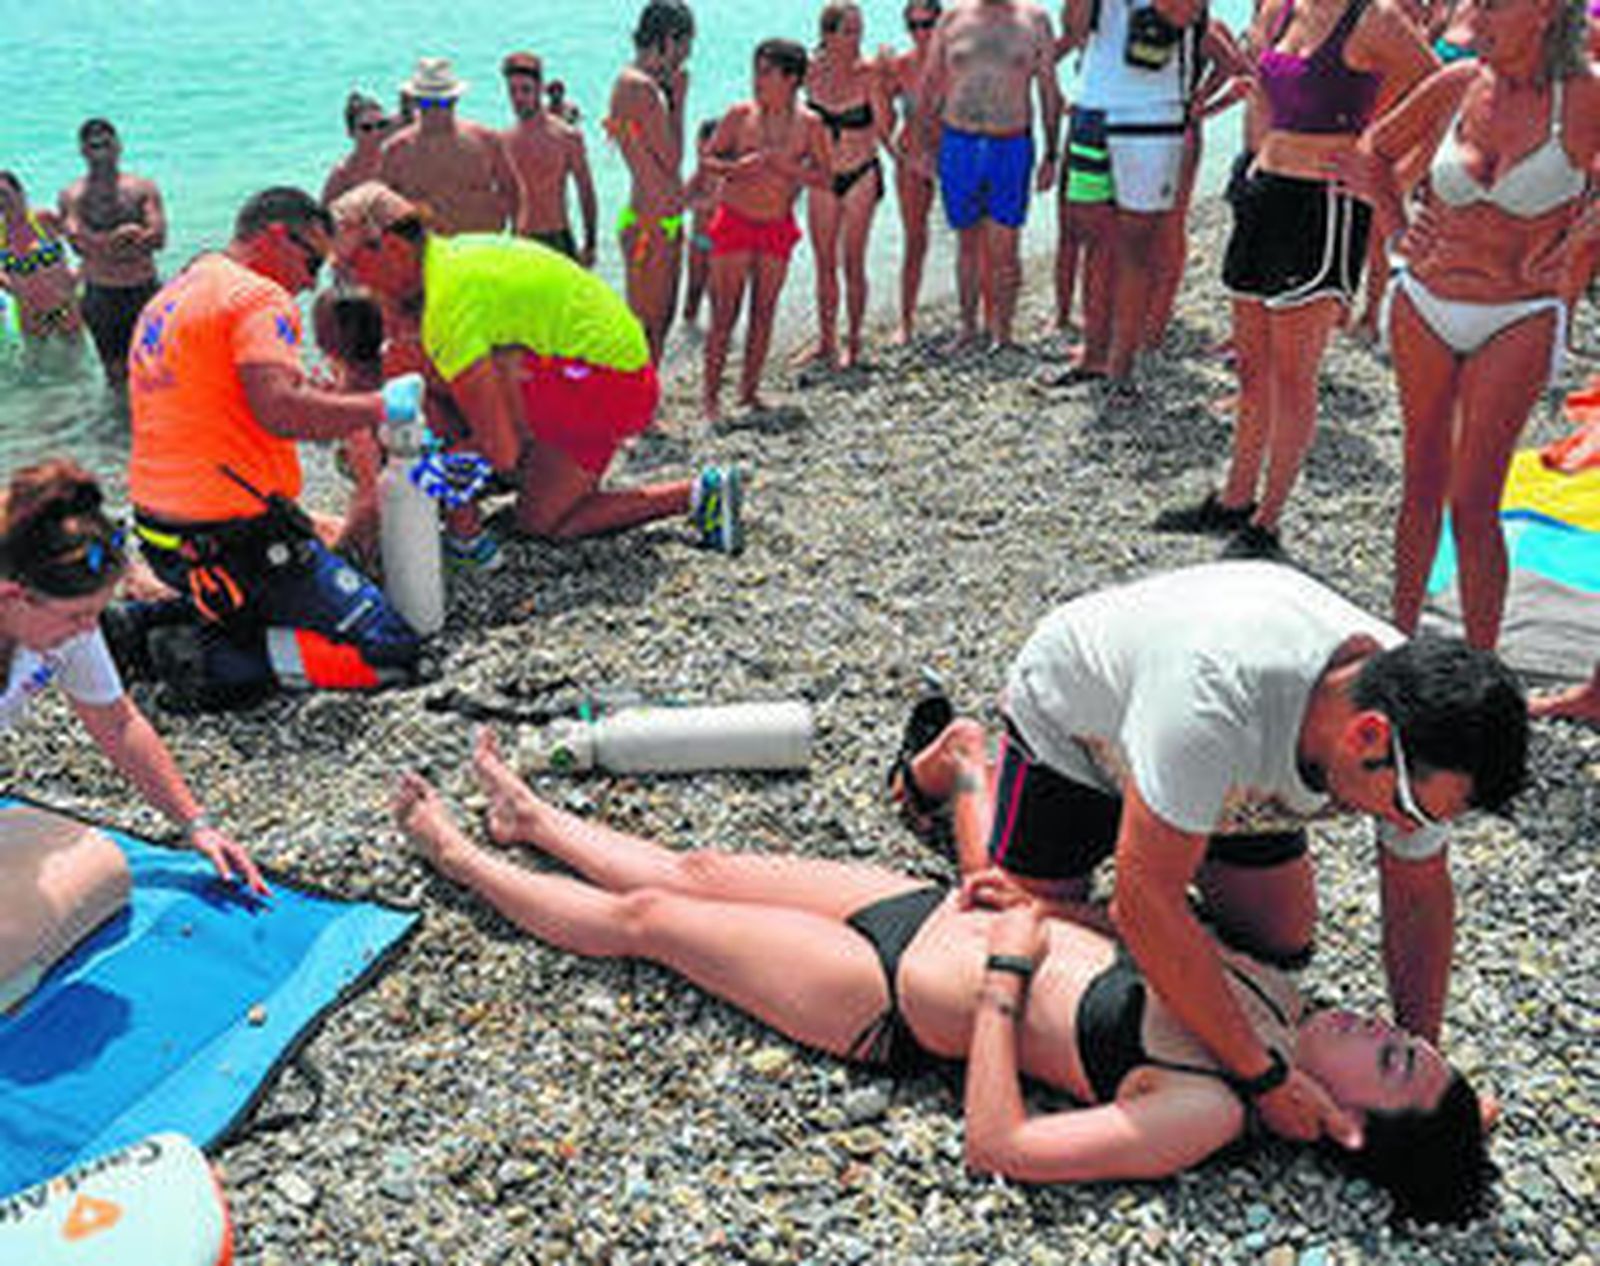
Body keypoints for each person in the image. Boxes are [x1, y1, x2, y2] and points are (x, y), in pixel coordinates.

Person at [390, 728, 1496, 1226]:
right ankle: (535, 820)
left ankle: (467, 860)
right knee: (703, 869)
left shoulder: (1204, 1111)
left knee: (654, 921)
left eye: (1394, 1057)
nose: (1381, 1026)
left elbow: (1000, 1147)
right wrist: (1047, 909)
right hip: (935, 912)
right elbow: (1138, 933)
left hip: (881, 999)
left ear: (1348, 1124)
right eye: (1402, 1035)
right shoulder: (1282, 1001)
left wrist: (1005, 987)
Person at [888, 561, 1526, 1147]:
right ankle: (964, 759)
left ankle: (1166, 831)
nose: (1406, 828)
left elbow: (1417, 899)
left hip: (1218, 775)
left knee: (1279, 940)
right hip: (1080, 729)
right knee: (1002, 912)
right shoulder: (1216, 697)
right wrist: (1263, 1077)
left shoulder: (1418, 720)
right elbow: (1143, 906)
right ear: (1367, 735)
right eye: (1408, 809)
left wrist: (1425, 1074)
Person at [1332, 0, 1600, 650]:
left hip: (1519, 312)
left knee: (1475, 501)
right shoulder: (1457, 84)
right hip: (1425, 300)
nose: (1477, 18)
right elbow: (1372, 151)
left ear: (1543, 11)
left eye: (1494, 6)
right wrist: (1397, 229)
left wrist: (1580, 244)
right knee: (1419, 484)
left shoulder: (1583, 97)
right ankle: (1400, 644)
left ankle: (1479, 665)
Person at [1154, 0, 1434, 559]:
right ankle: (1235, 499)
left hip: (1323, 208)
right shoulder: (1282, 10)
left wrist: (1394, 176)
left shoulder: (1374, 18)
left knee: (1292, 376)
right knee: (1252, 368)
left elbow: (1445, 91)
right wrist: (1254, 157)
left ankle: (1268, 522)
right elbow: (1262, 86)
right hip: (1265, 194)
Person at [121, 187, 421, 708]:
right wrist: (379, 407)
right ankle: (206, 656)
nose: (309, 283)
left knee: (308, 551)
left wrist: (319, 403)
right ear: (277, 236)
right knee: (391, 652)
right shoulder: (257, 297)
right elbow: (280, 411)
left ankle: (148, 621)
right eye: (312, 262)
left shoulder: (172, 294)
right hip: (237, 546)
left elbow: (217, 406)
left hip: (159, 536)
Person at [329, 182, 744, 553]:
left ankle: (466, 524)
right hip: (612, 378)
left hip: (608, 384)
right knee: (541, 522)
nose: (347, 280)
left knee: (419, 374)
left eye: (349, 265)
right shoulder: (444, 257)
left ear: (393, 247)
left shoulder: (448, 303)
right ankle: (697, 494)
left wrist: (417, 473)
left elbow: (499, 449)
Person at [1, 460, 267, 894]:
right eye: (78, 616)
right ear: (12, 597)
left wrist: (196, 825)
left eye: (96, 613)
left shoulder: (61, 621)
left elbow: (117, 722)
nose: (89, 630)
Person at [1046, 0, 1209, 395]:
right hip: (1091, 106)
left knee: (1136, 246)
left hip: (1152, 112)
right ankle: (1093, 355)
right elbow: (1075, 31)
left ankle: (1121, 366)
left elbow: (1181, 14)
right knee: (1094, 240)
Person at [916, 0, 1063, 350]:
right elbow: (930, 85)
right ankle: (968, 329)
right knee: (966, 242)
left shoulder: (1035, 20)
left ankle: (1003, 332)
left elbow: (1048, 90)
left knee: (1006, 246)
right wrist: (923, 146)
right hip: (959, 143)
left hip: (1010, 144)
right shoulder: (953, 18)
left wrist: (1051, 153)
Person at [698, 40, 831, 422]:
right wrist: (738, 169)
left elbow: (826, 177)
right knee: (724, 313)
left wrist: (789, 169)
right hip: (735, 219)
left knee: (763, 311)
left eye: (766, 73)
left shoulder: (810, 124)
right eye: (755, 71)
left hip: (776, 224)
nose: (757, 80)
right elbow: (708, 160)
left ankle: (749, 392)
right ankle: (710, 400)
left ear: (791, 79)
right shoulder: (740, 115)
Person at [803, 2, 894, 370]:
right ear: (827, 35)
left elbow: (885, 129)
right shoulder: (810, 72)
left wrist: (907, 160)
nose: (857, 38)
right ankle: (826, 341)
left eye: (859, 30)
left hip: (860, 173)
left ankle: (853, 344)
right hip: (822, 175)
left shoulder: (869, 74)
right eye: (848, 31)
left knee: (852, 262)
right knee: (824, 262)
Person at [607, 0, 697, 363]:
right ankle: (637, 397)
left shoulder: (635, 83)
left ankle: (646, 395)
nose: (688, 53)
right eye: (686, 43)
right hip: (651, 224)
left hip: (656, 219)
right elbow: (672, 159)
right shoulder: (641, 88)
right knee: (647, 328)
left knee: (658, 325)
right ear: (669, 39)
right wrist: (679, 102)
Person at [57, 118, 166, 389]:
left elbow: (158, 238)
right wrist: (123, 237)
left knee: (155, 366)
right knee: (115, 374)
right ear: (83, 151)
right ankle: (118, 416)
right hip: (101, 294)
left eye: (106, 143)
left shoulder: (142, 188)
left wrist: (100, 246)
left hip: (144, 290)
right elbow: (77, 243)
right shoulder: (72, 195)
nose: (100, 150)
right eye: (93, 145)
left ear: (118, 146)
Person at [379, 58, 522, 236]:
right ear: (416, 102)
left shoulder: (486, 141)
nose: (435, 111)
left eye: (443, 103)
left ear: (455, 100)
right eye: (427, 103)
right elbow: (382, 206)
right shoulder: (396, 151)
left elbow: (512, 190)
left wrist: (514, 234)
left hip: (480, 244)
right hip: (426, 247)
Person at [881, 1, 943, 345]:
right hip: (912, 158)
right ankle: (906, 320)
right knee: (915, 240)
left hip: (951, 157)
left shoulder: (957, 63)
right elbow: (876, 108)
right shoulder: (901, 66)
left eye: (927, 24)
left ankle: (981, 316)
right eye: (913, 26)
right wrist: (893, 151)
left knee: (973, 236)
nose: (921, 33)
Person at [500, 51, 599, 267]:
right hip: (520, 242)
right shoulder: (504, 141)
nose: (518, 98)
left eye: (525, 90)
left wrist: (591, 243)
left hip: (558, 239)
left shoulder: (567, 137)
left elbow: (586, 193)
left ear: (539, 89)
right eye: (512, 91)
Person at [0, 171, 80, 341]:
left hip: (65, 308)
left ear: (20, 193)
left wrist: (79, 274)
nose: (2, 201)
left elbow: (83, 241)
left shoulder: (44, 220)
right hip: (31, 316)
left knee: (78, 354)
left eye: (4, 194)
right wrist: (13, 288)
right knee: (37, 357)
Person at [681, 120, 720, 325]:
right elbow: (682, 197)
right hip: (699, 238)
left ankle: (718, 334)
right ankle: (687, 333)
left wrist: (695, 203)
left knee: (716, 292)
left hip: (720, 241)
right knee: (694, 288)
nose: (701, 151)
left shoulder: (724, 172)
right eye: (699, 145)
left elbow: (716, 203)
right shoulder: (701, 171)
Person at [322, 93, 392, 206]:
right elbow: (324, 212)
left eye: (382, 125)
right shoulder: (343, 174)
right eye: (366, 128)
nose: (376, 133)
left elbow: (421, 104)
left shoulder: (396, 158)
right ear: (351, 132)